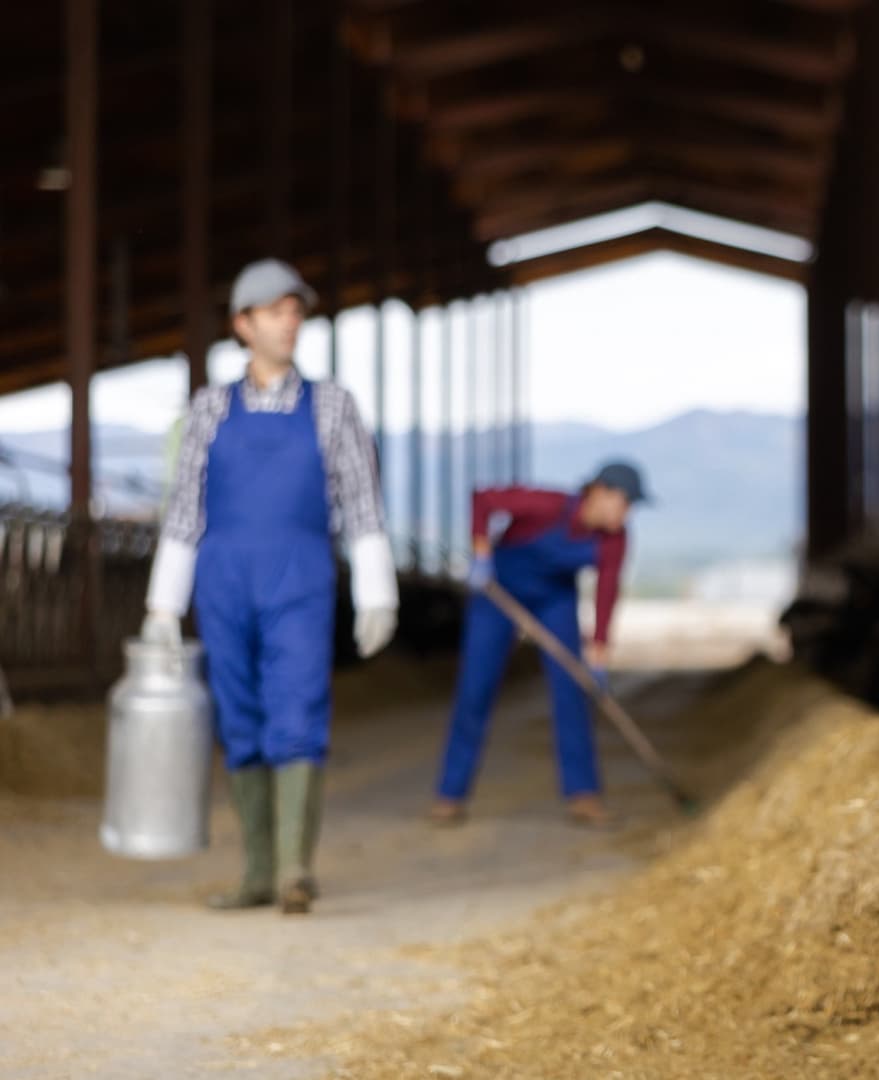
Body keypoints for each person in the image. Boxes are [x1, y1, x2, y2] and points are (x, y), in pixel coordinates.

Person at [142, 257, 398, 915]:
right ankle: (256, 870)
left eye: (295, 311)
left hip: (300, 575)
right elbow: (184, 510)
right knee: (239, 712)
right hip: (222, 577)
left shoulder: (333, 406)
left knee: (298, 702)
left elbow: (362, 502)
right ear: (243, 324)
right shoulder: (208, 409)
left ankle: (293, 868)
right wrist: (163, 605)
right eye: (276, 311)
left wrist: (378, 589)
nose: (290, 322)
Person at [428, 461, 647, 828]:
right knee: (475, 690)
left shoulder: (616, 538)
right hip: (497, 592)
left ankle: (583, 795)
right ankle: (450, 794)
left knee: (572, 691)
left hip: (554, 600)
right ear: (601, 492)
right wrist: (481, 555)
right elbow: (482, 499)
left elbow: (607, 591)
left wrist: (598, 656)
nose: (628, 513)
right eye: (626, 503)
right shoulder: (548, 505)